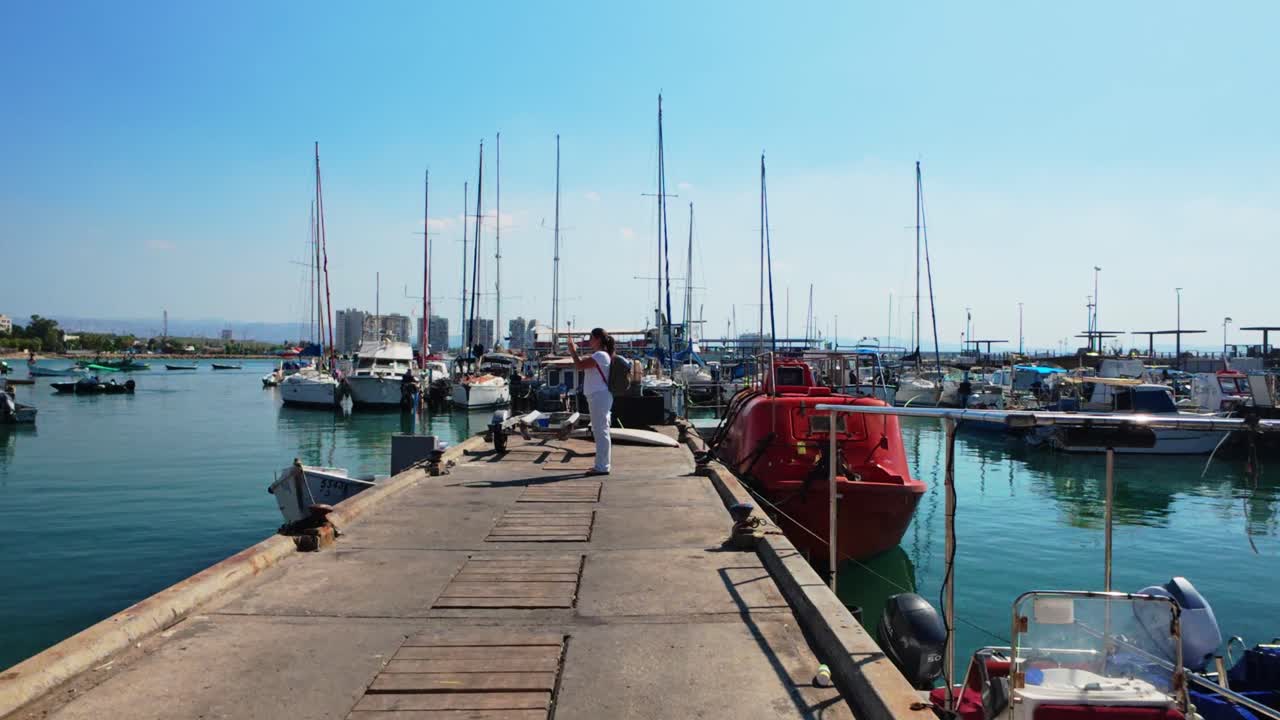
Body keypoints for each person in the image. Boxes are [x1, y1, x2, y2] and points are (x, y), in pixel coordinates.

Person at [568, 327, 613, 476]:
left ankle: (602, 466)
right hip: (598, 396)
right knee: (600, 430)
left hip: (599, 396)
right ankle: (601, 465)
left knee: (600, 431)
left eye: (591, 338)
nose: (589, 341)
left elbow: (579, 366)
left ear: (598, 339)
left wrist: (573, 350)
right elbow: (583, 364)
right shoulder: (600, 355)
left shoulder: (600, 355)